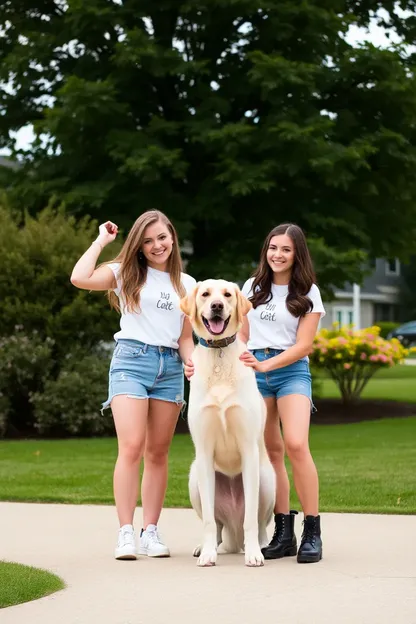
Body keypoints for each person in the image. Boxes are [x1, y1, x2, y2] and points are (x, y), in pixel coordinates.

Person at [71, 210, 196, 560]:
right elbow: (79, 277)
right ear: (139, 246)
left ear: (172, 237)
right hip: (131, 361)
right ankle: (125, 532)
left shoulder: (188, 284)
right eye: (148, 240)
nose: (157, 245)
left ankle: (150, 532)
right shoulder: (127, 273)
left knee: (158, 452)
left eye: (162, 237)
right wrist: (102, 241)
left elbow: (186, 338)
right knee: (132, 446)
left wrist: (192, 359)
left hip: (170, 367)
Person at [238, 223, 325, 563]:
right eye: (273, 248)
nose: (278, 255)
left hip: (290, 373)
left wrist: (267, 366)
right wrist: (243, 357)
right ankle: (283, 531)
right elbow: (241, 332)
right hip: (254, 373)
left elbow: (304, 345)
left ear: (296, 254)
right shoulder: (252, 287)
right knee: (271, 452)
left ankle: (312, 532)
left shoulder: (308, 291)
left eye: (286, 250)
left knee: (296, 445)